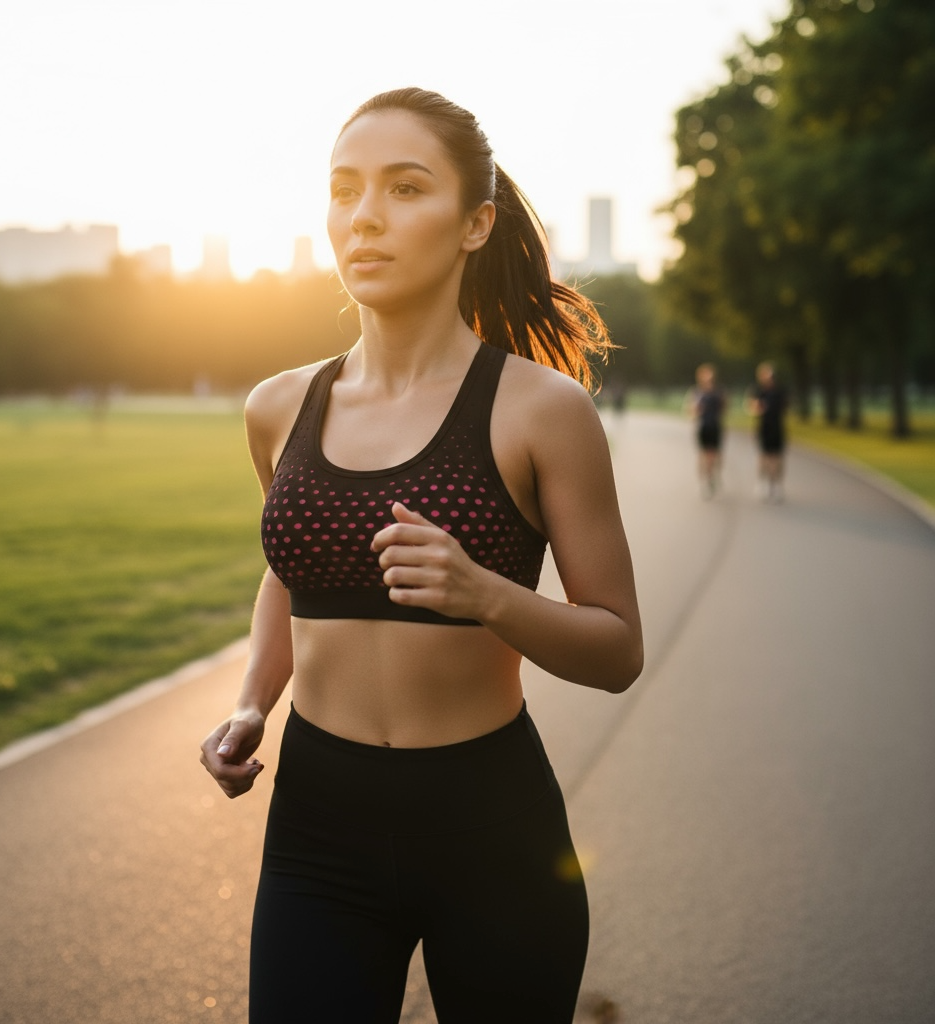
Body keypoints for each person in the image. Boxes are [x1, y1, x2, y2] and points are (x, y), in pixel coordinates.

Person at [200, 87, 643, 1024]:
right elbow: (291, 573)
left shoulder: (541, 412)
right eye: (344, 189)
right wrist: (251, 702)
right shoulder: (278, 408)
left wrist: (483, 593)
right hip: (318, 828)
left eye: (406, 189)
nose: (365, 217)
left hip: (492, 829)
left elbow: (616, 649)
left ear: (475, 222)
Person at [748, 361, 788, 502]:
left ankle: (777, 485)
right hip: (763, 428)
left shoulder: (780, 390)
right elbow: (752, 408)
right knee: (763, 457)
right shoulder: (758, 391)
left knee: (777, 457)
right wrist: (758, 408)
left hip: (777, 428)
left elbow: (785, 408)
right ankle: (762, 483)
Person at [686, 362, 726, 498]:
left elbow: (724, 408)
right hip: (703, 427)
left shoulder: (718, 392)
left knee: (714, 456)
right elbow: (690, 410)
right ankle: (704, 481)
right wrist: (697, 410)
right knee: (703, 455)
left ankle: (713, 477)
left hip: (715, 427)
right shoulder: (697, 392)